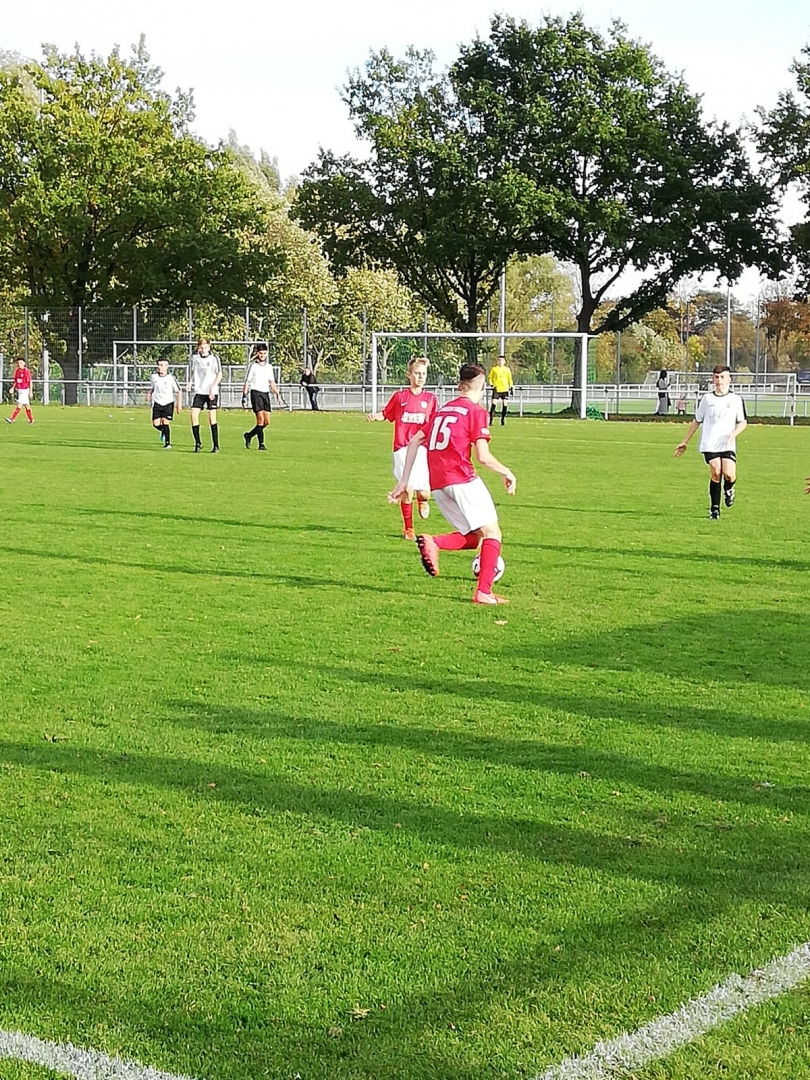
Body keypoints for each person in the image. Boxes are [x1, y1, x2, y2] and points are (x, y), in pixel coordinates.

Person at [390, 362, 517, 605]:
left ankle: (435, 542)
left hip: (438, 484)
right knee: (493, 533)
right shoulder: (476, 411)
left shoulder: (443, 410)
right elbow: (483, 456)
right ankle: (483, 592)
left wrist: (404, 480)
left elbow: (415, 440)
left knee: (474, 537)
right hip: (461, 478)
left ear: (460, 385)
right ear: (482, 386)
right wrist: (507, 472)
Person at [367, 356, 438, 540]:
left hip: (422, 449)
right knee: (407, 488)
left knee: (425, 493)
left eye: (423, 374)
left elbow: (434, 424)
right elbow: (386, 414)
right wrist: (376, 416)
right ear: (409, 375)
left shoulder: (431, 399)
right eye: (417, 373)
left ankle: (422, 500)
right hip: (402, 448)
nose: (421, 377)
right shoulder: (400, 397)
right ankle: (408, 528)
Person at [674, 364, 747, 520]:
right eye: (716, 377)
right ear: (713, 379)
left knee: (729, 474)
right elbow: (697, 420)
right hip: (710, 443)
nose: (719, 380)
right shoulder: (707, 399)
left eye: (722, 377)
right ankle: (714, 509)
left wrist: (733, 434)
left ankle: (729, 489)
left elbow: (743, 422)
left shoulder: (736, 400)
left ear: (729, 379)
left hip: (727, 443)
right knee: (716, 471)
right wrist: (685, 441)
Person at [242, 343, 284, 450]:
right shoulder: (253, 366)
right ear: (257, 354)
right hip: (256, 393)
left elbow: (272, 382)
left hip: (265, 394)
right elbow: (247, 381)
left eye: (264, 353)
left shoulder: (269, 367)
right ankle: (261, 444)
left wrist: (278, 395)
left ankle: (249, 435)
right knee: (260, 419)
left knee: (266, 422)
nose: (262, 355)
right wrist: (244, 396)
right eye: (261, 353)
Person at [187, 337, 222, 453]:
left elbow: (219, 375)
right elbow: (193, 372)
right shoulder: (195, 358)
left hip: (212, 392)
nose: (203, 349)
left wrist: (212, 387)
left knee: (211, 418)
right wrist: (190, 382)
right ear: (198, 348)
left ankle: (216, 445)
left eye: (206, 347)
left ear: (209, 347)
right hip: (200, 391)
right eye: (201, 347)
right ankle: (198, 443)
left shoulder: (214, 359)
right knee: (193, 415)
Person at [147, 357, 182, 449]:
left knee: (165, 422)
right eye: (158, 365)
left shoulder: (171, 378)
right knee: (155, 424)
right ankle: (163, 431)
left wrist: (179, 404)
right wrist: (149, 393)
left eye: (161, 365)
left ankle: (167, 443)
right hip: (157, 403)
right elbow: (152, 387)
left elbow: (178, 391)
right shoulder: (154, 377)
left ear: (166, 366)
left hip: (168, 403)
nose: (159, 367)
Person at [5, 358, 34, 424]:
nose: (19, 364)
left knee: (19, 404)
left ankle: (12, 419)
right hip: (20, 390)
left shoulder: (26, 371)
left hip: (24, 390)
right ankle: (31, 420)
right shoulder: (17, 371)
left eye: (21, 363)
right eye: (18, 363)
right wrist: (12, 388)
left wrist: (30, 392)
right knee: (27, 405)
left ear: (24, 363)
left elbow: (30, 382)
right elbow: (16, 381)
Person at [488, 355, 514, 426]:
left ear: (504, 361)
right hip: (497, 389)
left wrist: (511, 387)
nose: (500, 362)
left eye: (502, 360)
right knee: (494, 404)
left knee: (505, 404)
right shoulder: (494, 369)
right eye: (499, 360)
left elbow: (509, 379)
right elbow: (490, 378)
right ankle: (491, 420)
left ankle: (502, 419)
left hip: (505, 389)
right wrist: (492, 385)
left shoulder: (507, 370)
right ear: (497, 361)